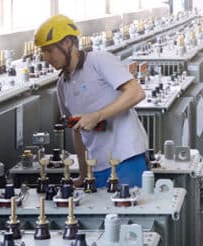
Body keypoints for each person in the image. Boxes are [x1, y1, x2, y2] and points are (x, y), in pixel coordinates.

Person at [35, 14, 149, 190]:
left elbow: (136, 92)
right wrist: (83, 173)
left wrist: (97, 116)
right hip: (96, 166)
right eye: (43, 52)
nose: (46, 57)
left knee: (128, 206)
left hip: (126, 158)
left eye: (50, 50)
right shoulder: (62, 85)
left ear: (67, 43)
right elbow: (76, 130)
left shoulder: (98, 61)